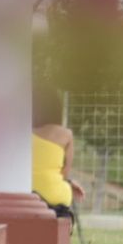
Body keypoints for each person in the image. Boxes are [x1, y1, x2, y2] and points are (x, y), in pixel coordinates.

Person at [32, 89, 83, 217]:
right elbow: (64, 174)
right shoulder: (66, 135)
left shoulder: (20, 131)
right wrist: (70, 183)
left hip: (26, 193)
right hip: (54, 196)